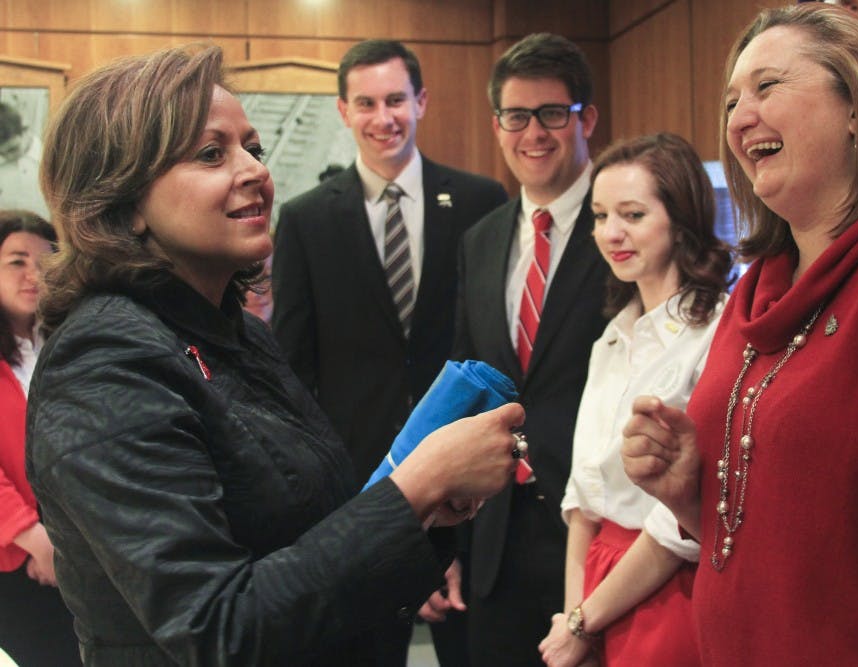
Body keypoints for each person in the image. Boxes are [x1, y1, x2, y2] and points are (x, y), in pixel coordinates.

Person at [25, 44, 526, 666]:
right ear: (124, 203)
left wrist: (426, 508)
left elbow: (310, 534)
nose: (255, 172)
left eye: (253, 149)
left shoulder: (236, 335)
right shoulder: (103, 362)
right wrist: (414, 489)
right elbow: (219, 630)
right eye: (212, 154)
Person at [621, 4, 858, 665]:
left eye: (768, 87)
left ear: (856, 106)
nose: (738, 119)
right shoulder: (755, 292)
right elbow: (788, 538)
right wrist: (690, 494)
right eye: (732, 99)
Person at [271, 38, 508, 667]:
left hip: (473, 491)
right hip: (358, 495)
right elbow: (294, 372)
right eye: (368, 103)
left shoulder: (483, 203)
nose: (385, 118)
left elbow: (497, 346)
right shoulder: (304, 221)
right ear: (344, 112)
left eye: (397, 100)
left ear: (421, 101)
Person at [538, 133, 731, 667]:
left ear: (681, 219)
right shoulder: (612, 337)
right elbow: (583, 500)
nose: (611, 233)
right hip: (594, 584)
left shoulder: (715, 334)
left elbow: (680, 525)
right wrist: (573, 615)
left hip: (666, 584)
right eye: (600, 216)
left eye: (632, 214)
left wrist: (584, 619)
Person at [453, 33, 609, 666]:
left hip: (596, 538)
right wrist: (453, 546)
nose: (534, 133)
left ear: (586, 118)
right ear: (497, 125)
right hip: (495, 543)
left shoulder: (625, 223)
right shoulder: (481, 239)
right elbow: (470, 390)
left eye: (552, 113)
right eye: (517, 117)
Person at [0, 210, 78, 666]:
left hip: (91, 539)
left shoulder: (72, 341)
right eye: (16, 260)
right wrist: (35, 538)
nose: (34, 273)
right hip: (19, 560)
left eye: (47, 260)